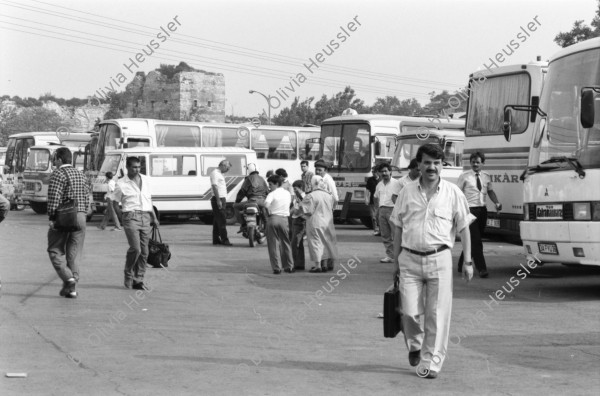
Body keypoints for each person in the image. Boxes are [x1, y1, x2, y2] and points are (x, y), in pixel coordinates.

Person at [391, 143, 474, 379]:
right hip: (409, 259)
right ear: (419, 164)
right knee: (408, 311)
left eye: (436, 163)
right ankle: (415, 345)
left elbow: (464, 228)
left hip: (440, 259)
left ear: (442, 166)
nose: (432, 167)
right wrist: (396, 263)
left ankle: (431, 362)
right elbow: (397, 227)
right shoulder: (407, 191)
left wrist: (467, 261)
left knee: (437, 314)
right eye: (427, 162)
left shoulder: (453, 193)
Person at [47, 147, 90, 299]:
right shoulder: (81, 174)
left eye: (54, 159)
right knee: (74, 254)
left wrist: (52, 218)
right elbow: (86, 196)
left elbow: (54, 198)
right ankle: (72, 288)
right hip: (81, 216)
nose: (54, 162)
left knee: (55, 251)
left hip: (64, 216)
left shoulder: (58, 174)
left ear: (59, 159)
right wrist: (83, 213)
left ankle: (68, 278)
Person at [111, 156, 160, 290]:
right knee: (136, 249)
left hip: (145, 217)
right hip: (130, 217)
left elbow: (149, 201)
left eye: (139, 167)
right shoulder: (121, 183)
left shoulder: (146, 180)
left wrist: (154, 218)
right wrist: (122, 219)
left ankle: (138, 279)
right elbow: (115, 203)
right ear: (127, 167)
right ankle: (128, 273)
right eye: (134, 167)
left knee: (145, 252)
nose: (137, 169)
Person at [456, 152, 502, 278]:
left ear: (483, 163)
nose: (475, 164)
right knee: (477, 241)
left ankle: (460, 264)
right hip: (469, 211)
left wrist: (497, 202)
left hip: (482, 211)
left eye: (478, 162)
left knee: (473, 240)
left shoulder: (486, 176)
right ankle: (482, 268)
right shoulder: (464, 176)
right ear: (470, 163)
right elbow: (458, 194)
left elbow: (490, 192)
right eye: (473, 162)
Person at [300, 175, 338, 273]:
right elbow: (333, 206)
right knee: (326, 242)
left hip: (315, 222)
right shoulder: (329, 195)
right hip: (327, 222)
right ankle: (324, 264)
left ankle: (317, 266)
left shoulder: (311, 195)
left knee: (316, 243)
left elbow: (307, 210)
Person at [264, 175, 294, 274]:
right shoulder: (288, 193)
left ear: (276, 184)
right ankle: (289, 266)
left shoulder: (272, 194)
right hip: (284, 220)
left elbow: (266, 205)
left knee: (273, 244)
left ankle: (276, 268)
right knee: (285, 243)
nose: (269, 187)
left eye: (271, 184)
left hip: (273, 218)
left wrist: (268, 213)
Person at [374, 163, 401, 263]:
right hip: (382, 210)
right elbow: (376, 197)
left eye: (386, 171)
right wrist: (377, 211)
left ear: (390, 172)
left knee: (397, 235)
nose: (384, 173)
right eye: (382, 172)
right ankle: (390, 256)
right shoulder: (379, 184)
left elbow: (401, 198)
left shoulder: (397, 183)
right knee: (385, 235)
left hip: (393, 210)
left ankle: (400, 256)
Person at [234, 163, 269, 232]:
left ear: (248, 170)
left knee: (235, 206)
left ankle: (243, 225)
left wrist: (237, 201)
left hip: (252, 201)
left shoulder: (248, 179)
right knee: (265, 214)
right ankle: (266, 227)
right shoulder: (262, 178)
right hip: (262, 201)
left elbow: (242, 191)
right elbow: (267, 191)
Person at [210, 160, 233, 246]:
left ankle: (216, 239)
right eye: (227, 168)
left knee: (217, 220)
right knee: (222, 220)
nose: (227, 170)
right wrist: (218, 200)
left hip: (221, 198)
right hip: (218, 199)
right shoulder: (215, 173)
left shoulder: (219, 174)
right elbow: (215, 186)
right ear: (223, 165)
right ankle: (225, 239)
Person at [290, 180, 306, 270]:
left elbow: (299, 209)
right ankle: (299, 264)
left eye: (295, 189)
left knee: (295, 243)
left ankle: (296, 263)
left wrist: (294, 211)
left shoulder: (303, 197)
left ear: (301, 188)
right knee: (298, 244)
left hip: (300, 220)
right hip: (295, 219)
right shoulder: (297, 196)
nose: (294, 190)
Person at [365, 165, 381, 236]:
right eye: (372, 172)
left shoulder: (381, 179)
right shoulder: (370, 180)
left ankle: (381, 230)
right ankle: (376, 229)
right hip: (372, 200)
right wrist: (366, 198)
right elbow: (367, 190)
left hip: (381, 201)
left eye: (375, 172)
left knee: (379, 216)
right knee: (373, 216)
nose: (373, 173)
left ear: (378, 172)